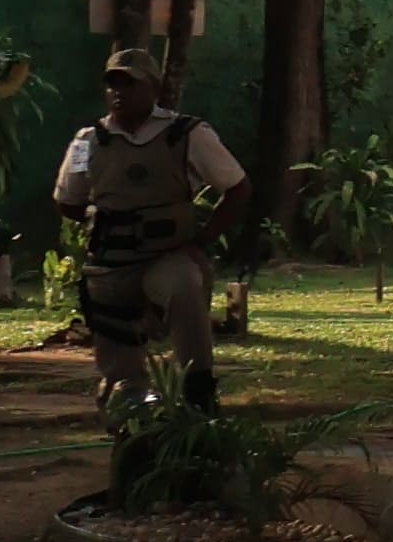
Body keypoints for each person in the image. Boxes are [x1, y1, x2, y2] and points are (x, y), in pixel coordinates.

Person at [52, 45, 248, 414]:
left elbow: (238, 188)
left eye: (130, 84)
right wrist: (111, 219)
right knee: (120, 370)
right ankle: (129, 410)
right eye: (112, 84)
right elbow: (68, 200)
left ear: (153, 89)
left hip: (167, 254)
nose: (118, 92)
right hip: (112, 261)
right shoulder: (88, 141)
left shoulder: (187, 133)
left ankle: (198, 390)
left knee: (184, 285)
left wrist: (201, 242)